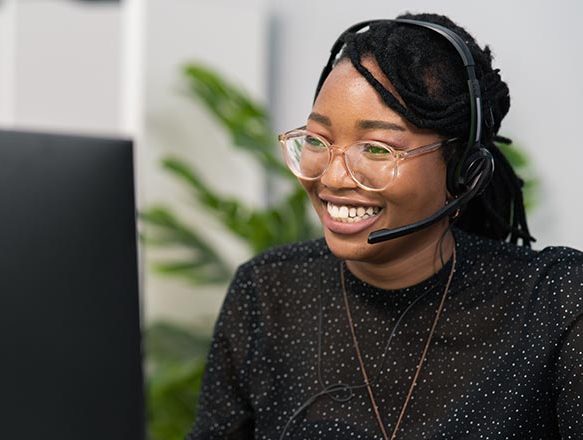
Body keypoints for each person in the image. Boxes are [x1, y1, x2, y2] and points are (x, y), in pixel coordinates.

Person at [186, 12, 583, 440]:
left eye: (376, 149)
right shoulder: (267, 293)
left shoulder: (554, 304)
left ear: (462, 174)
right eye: (318, 140)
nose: (333, 177)